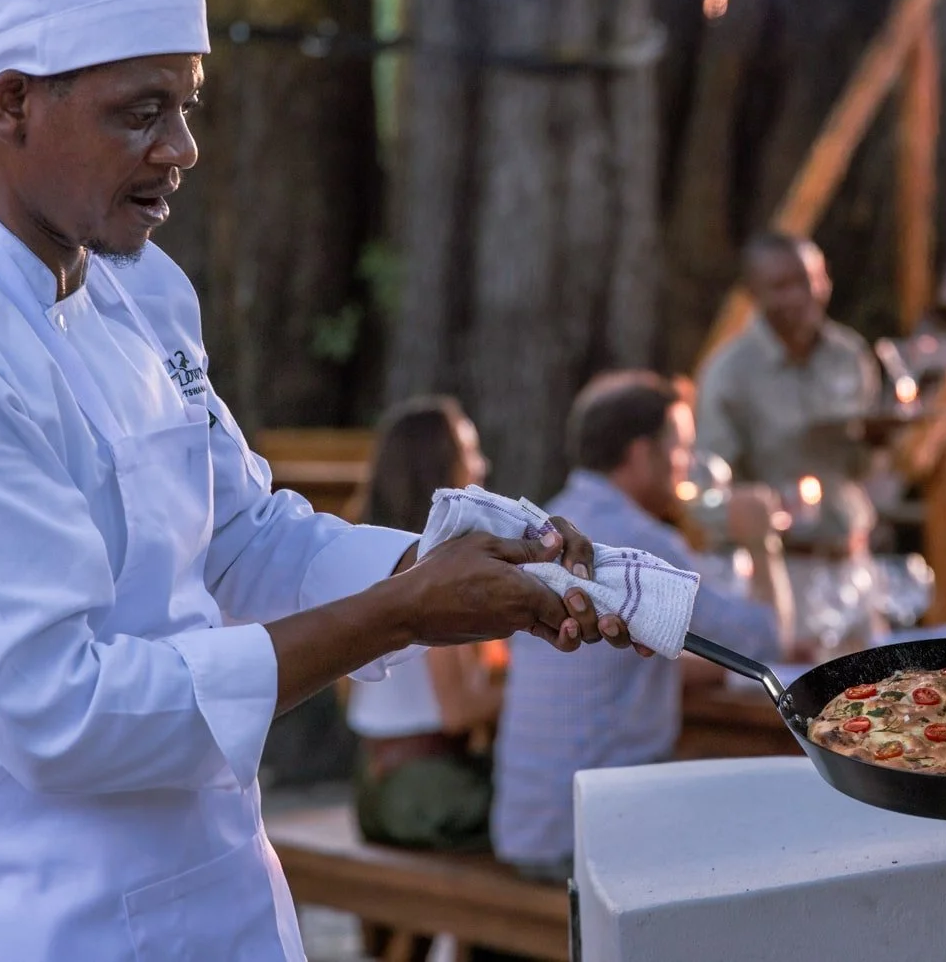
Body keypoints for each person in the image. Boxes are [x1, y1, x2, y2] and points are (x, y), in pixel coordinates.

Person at [0, 0, 636, 961]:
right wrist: (405, 611)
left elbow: (240, 532)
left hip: (217, 892)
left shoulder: (136, 287)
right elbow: (61, 710)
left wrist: (453, 565)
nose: (181, 147)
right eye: (141, 110)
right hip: (18, 917)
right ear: (8, 103)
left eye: (187, 104)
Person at [492, 371, 793, 881]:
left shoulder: (548, 524)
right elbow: (767, 639)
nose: (687, 467)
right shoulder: (638, 543)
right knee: (771, 834)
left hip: (526, 824)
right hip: (587, 838)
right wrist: (761, 540)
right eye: (681, 449)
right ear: (639, 455)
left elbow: (613, 666)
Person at [348, 396, 502, 852]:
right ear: (442, 470)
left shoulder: (365, 547)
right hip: (427, 792)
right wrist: (537, 687)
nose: (482, 465)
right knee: (554, 819)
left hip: (372, 787)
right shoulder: (435, 564)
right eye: (469, 453)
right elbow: (457, 711)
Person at [697, 232, 882, 554]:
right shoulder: (729, 372)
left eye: (808, 280)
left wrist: (881, 441)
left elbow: (860, 465)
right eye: (781, 287)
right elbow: (707, 489)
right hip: (772, 560)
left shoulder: (849, 354)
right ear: (753, 293)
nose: (799, 296)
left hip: (848, 552)